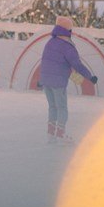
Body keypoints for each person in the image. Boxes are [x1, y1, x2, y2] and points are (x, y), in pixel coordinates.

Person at [39, 15, 98, 144]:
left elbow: (44, 61)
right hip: (58, 82)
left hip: (46, 81)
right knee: (62, 108)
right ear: (68, 31)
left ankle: (51, 134)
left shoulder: (50, 42)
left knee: (52, 107)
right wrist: (90, 77)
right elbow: (77, 64)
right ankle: (60, 135)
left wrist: (41, 79)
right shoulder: (67, 46)